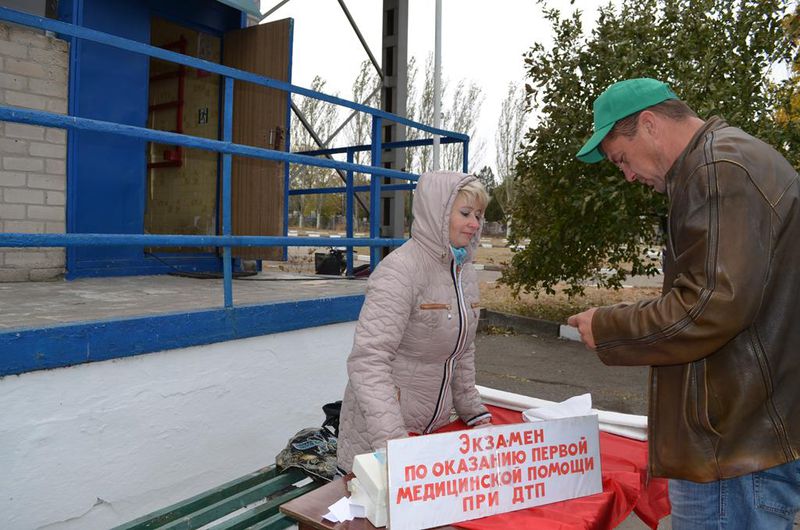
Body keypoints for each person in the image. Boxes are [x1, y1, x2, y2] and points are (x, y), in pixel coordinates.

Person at [567, 77, 800, 529]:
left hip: (730, 453)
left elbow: (708, 306)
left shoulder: (717, 169)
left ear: (650, 124)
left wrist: (609, 327)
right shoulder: (731, 160)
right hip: (745, 441)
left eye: (621, 159)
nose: (628, 175)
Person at [336, 171, 492, 473]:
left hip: (431, 434)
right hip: (379, 444)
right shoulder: (400, 271)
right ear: (438, 213)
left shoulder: (464, 272)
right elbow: (368, 361)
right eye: (464, 213)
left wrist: (473, 411)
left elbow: (462, 350)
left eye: (478, 214)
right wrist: (393, 442)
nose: (474, 224)